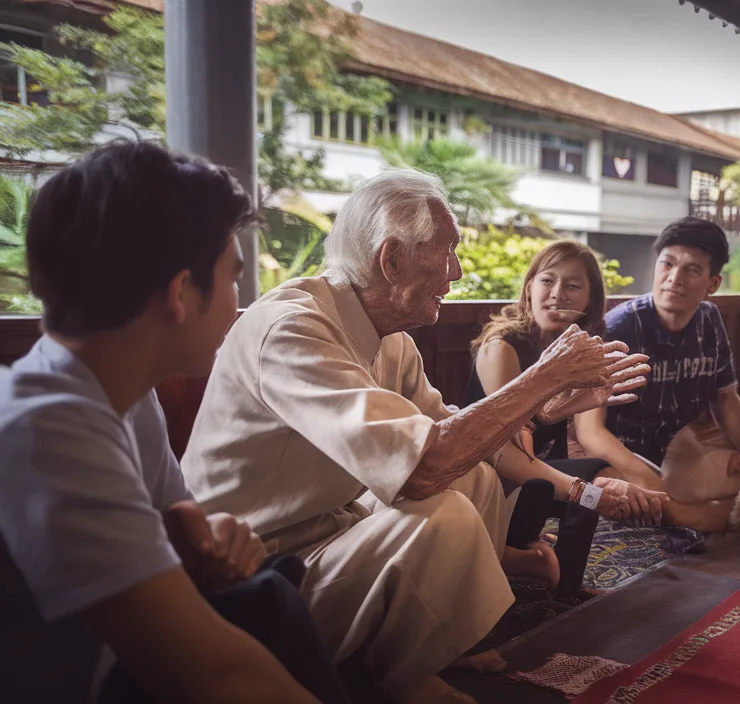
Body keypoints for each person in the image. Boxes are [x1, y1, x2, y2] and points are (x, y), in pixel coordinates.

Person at [179, 170, 651, 704]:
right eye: (447, 251)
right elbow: (425, 464)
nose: (457, 269)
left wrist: (540, 410)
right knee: (445, 512)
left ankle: (424, 648)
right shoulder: (293, 328)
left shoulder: (390, 339)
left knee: (473, 478)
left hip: (329, 533)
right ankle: (390, 679)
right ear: (392, 260)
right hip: (253, 571)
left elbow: (460, 435)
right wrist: (541, 378)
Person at [0, 141, 346, 703]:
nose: (238, 302)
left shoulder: (121, 396)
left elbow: (183, 525)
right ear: (181, 292)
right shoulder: (47, 429)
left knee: (268, 592)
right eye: (233, 278)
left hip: (108, 661)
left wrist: (202, 540)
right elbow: (212, 672)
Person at [466, 239, 668, 595]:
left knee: (591, 471)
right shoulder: (502, 347)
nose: (558, 294)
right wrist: (588, 491)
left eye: (573, 285)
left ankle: (566, 587)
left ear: (589, 299)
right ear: (528, 288)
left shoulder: (578, 351)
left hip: (530, 476)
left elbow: (576, 439)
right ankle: (516, 554)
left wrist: (637, 484)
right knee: (583, 487)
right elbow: (510, 447)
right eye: (547, 280)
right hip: (487, 475)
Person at [573, 217, 740, 533]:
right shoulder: (619, 326)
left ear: (712, 284)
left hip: (672, 449)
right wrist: (649, 480)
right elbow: (589, 432)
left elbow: (726, 397)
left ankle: (680, 504)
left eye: (692, 270)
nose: (674, 278)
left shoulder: (709, 320)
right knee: (626, 493)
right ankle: (687, 514)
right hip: (613, 454)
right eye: (668, 264)